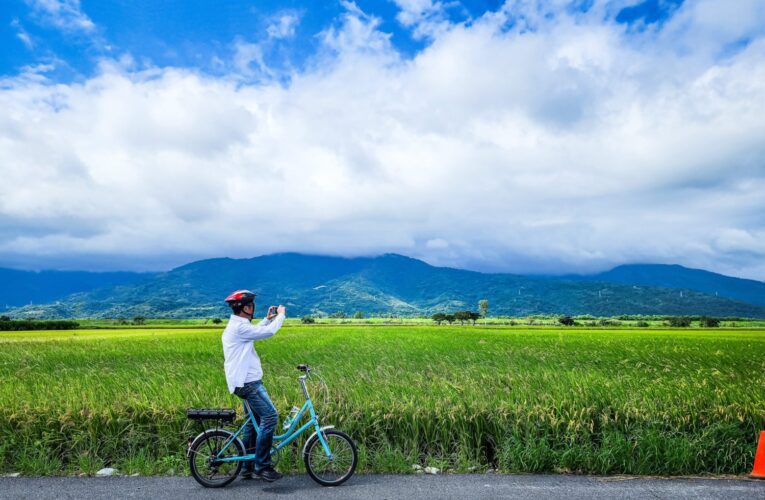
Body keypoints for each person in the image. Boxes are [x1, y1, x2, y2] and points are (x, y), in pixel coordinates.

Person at [221, 289, 286, 481]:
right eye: (250, 305)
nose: (252, 308)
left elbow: (255, 331)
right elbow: (267, 333)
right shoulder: (240, 328)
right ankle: (262, 465)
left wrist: (266, 319)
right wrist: (281, 316)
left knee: (253, 423)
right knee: (270, 416)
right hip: (248, 383)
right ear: (244, 308)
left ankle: (246, 468)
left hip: (243, 382)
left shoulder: (238, 325)